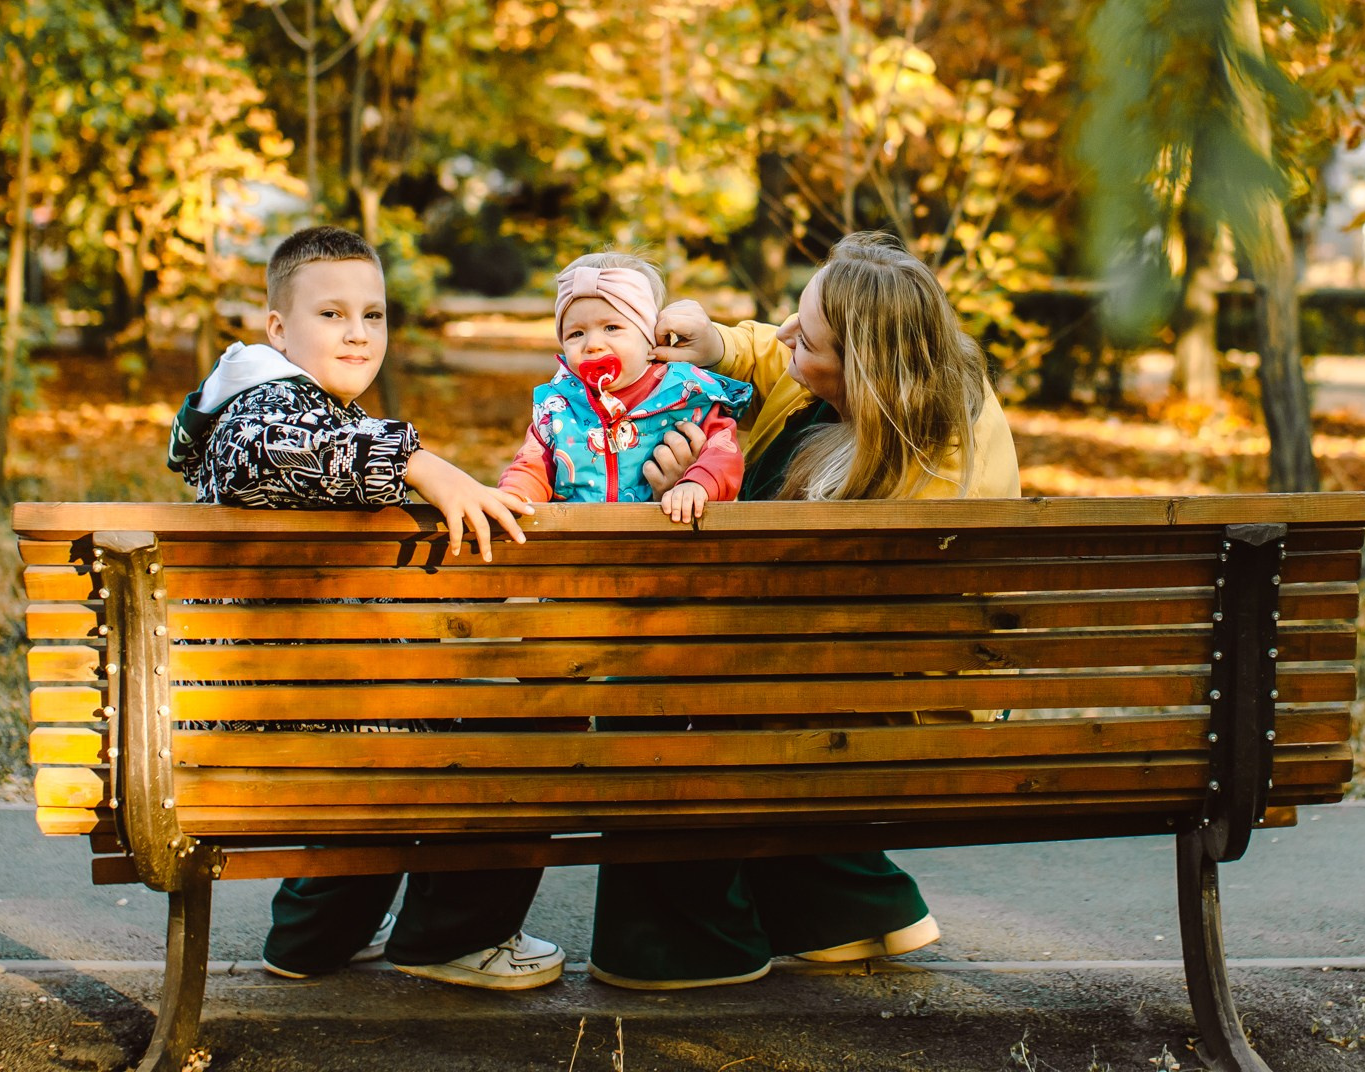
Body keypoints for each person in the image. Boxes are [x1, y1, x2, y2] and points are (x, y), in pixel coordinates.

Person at [584, 231, 1022, 990]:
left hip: (891, 685)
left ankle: (686, 947)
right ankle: (846, 912)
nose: (786, 336)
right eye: (795, 316)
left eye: (807, 338)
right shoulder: (897, 374)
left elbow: (798, 615)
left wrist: (686, 503)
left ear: (864, 369)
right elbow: (778, 353)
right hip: (829, 657)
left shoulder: (929, 472)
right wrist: (719, 341)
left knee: (651, 695)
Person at [164, 225, 565, 990]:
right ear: (277, 329)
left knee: (405, 703)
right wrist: (420, 462)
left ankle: (314, 936)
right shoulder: (261, 409)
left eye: (372, 315)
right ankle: (454, 937)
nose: (357, 333)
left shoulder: (299, 406)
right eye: (332, 314)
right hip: (297, 722)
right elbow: (269, 451)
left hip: (300, 707)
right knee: (529, 721)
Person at [498, 252, 751, 519]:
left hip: (663, 533)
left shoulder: (686, 395)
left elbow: (723, 451)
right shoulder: (558, 407)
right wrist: (515, 495)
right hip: (577, 533)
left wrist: (697, 484)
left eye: (611, 328)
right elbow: (532, 466)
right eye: (576, 333)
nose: (593, 344)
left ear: (650, 338)